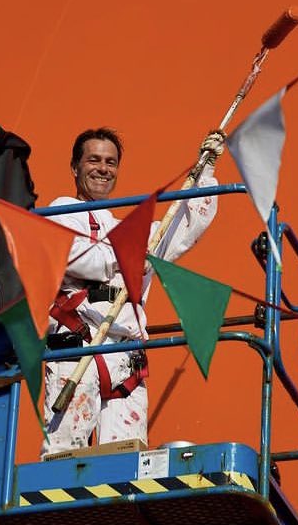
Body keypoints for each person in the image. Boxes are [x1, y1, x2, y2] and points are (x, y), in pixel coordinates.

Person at [41, 127, 223, 459]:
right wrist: (128, 256)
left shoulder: (134, 234)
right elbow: (81, 258)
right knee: (64, 456)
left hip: (125, 356)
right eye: (93, 159)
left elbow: (182, 229)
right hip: (78, 347)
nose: (102, 168)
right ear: (75, 167)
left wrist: (205, 170)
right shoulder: (63, 210)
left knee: (125, 458)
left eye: (110, 162)